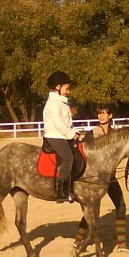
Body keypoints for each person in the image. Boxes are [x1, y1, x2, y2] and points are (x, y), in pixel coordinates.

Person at [74, 104, 129, 252]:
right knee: (90, 211)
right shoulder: (92, 133)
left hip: (110, 178)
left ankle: (121, 244)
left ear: (110, 115)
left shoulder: (116, 134)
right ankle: (77, 241)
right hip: (94, 180)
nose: (101, 116)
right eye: (99, 113)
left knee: (121, 206)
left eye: (104, 113)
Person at [43, 70, 80, 203]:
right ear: (58, 87)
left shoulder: (61, 102)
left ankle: (72, 186)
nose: (68, 91)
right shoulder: (53, 103)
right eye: (67, 88)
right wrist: (71, 134)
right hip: (55, 136)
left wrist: (74, 132)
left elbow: (67, 122)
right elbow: (58, 124)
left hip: (62, 135)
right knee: (68, 158)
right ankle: (61, 192)